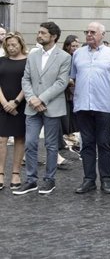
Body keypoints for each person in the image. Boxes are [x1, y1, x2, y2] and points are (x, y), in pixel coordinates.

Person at [14, 22, 71, 196]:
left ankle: (49, 180)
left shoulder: (64, 57)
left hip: (51, 106)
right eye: (38, 32)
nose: (39, 35)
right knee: (30, 143)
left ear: (53, 36)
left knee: (51, 145)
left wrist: (41, 99)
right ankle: (31, 180)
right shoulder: (33, 55)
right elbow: (26, 79)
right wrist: (32, 98)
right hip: (32, 107)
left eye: (43, 33)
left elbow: (61, 83)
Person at [72, 22, 110, 194]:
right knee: (86, 144)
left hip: (104, 106)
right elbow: (73, 79)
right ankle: (89, 180)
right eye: (87, 31)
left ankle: (106, 180)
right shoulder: (77, 54)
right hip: (82, 106)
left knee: (103, 143)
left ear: (102, 34)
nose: (89, 34)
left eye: (93, 32)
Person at [0, 32, 27, 190]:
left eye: (14, 45)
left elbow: (28, 83)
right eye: (8, 45)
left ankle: (16, 173)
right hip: (2, 105)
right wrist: (5, 104)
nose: (11, 47)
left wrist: (15, 102)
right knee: (1, 140)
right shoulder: (1, 61)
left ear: (21, 44)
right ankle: (1, 172)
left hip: (21, 105)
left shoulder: (28, 62)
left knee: (19, 138)